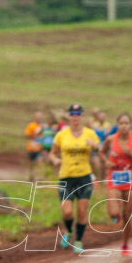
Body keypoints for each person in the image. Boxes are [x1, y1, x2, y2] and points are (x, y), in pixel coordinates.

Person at [49, 103, 99, 254]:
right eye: (73, 115)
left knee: (82, 211)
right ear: (69, 116)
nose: (75, 117)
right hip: (66, 177)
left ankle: (79, 240)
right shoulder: (61, 134)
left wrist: (94, 146)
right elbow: (52, 153)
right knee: (67, 212)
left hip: (84, 176)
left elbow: (100, 149)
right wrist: (55, 160)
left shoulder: (90, 133)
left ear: (82, 117)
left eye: (78, 115)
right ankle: (69, 231)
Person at [100, 113, 132, 255]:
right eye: (121, 123)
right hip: (114, 179)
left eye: (126, 123)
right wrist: (106, 161)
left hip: (131, 180)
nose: (124, 126)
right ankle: (116, 214)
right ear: (117, 125)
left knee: (127, 214)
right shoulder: (111, 139)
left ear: (131, 125)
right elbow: (101, 153)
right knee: (113, 213)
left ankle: (125, 244)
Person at [90, 109, 113, 188]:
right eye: (101, 116)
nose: (102, 117)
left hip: (105, 148)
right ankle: (97, 180)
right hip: (95, 148)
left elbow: (108, 136)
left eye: (104, 116)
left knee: (104, 165)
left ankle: (102, 181)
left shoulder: (108, 125)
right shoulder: (93, 125)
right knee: (97, 165)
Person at [24, 111, 46, 183]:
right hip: (31, 148)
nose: (38, 119)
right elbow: (27, 135)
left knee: (39, 163)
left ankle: (37, 179)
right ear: (34, 118)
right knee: (30, 164)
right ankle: (28, 178)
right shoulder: (31, 125)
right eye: (37, 117)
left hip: (39, 148)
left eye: (39, 117)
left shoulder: (43, 126)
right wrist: (34, 135)